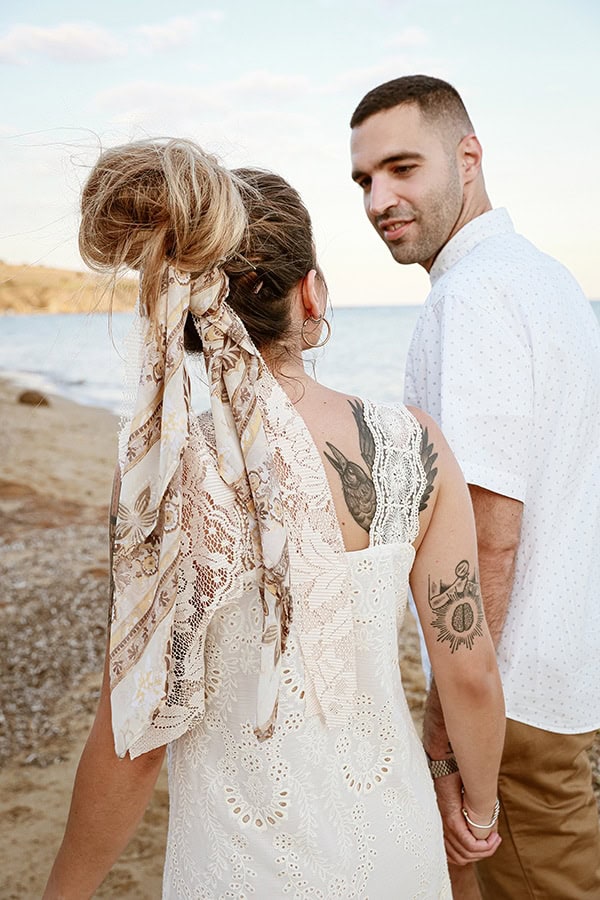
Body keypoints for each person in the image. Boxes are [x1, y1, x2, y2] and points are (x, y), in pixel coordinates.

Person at [43, 138, 505, 899]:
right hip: (397, 848)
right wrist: (478, 810)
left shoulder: (170, 473)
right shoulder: (412, 445)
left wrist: (65, 889)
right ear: (311, 295)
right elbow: (468, 669)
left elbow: (138, 730)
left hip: (238, 868)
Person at [349, 74, 600, 899]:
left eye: (401, 167)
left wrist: (453, 721)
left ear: (468, 156)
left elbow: (490, 528)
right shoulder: (548, 280)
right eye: (364, 180)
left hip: (515, 707)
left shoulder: (474, 297)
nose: (380, 198)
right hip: (567, 680)